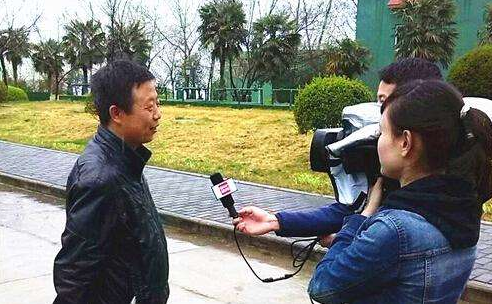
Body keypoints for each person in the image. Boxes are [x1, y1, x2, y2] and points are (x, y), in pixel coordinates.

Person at [308, 79, 492, 303]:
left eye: (382, 133)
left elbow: (322, 286)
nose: (377, 143)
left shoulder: (394, 230)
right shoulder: (464, 206)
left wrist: (359, 220)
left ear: (405, 142)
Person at [233, 58, 444, 245]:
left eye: (385, 103)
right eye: (379, 102)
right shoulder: (395, 177)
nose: (379, 116)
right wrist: (275, 221)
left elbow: (329, 282)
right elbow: (349, 208)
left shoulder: (417, 217)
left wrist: (345, 239)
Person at [53, 60, 169, 304]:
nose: (158, 114)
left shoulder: (127, 158)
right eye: (149, 107)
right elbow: (74, 274)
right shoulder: (100, 178)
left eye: (158, 103)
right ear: (116, 113)